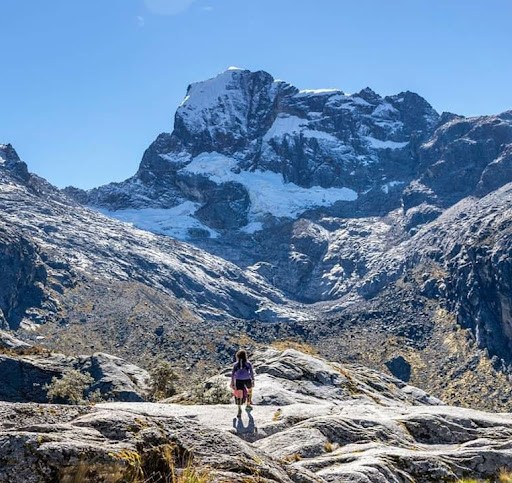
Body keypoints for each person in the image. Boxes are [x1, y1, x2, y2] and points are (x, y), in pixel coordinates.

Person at [231, 349, 255, 418]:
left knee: (239, 395)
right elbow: (251, 372)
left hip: (238, 380)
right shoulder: (248, 363)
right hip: (247, 379)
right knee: (249, 391)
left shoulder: (235, 364)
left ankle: (239, 409)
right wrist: (253, 380)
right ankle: (248, 405)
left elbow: (233, 374)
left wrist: (232, 383)